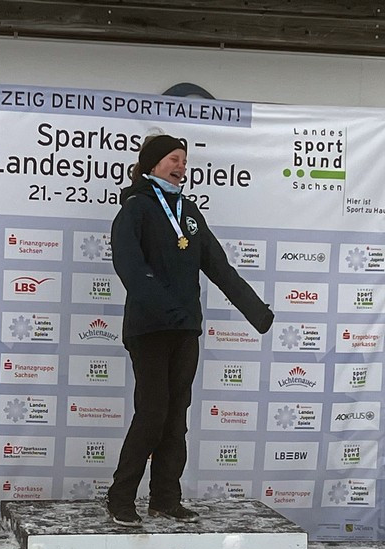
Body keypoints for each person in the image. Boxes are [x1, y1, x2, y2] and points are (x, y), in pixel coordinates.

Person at [105, 134, 274, 526]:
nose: (181, 167)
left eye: (184, 161)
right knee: (152, 414)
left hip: (185, 330)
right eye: (173, 159)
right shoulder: (135, 209)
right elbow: (130, 268)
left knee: (175, 419)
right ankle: (120, 497)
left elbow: (219, 266)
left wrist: (257, 313)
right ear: (153, 163)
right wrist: (167, 309)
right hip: (150, 329)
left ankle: (165, 499)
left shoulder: (189, 212)